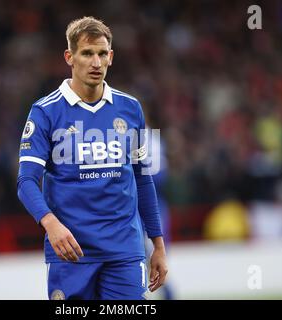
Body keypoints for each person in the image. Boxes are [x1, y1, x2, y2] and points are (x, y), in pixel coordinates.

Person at [17, 16, 168, 300]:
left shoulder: (131, 108)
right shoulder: (45, 112)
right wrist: (51, 224)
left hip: (124, 251)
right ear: (69, 57)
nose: (96, 63)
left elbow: (143, 178)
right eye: (87, 53)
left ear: (111, 57)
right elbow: (26, 181)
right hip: (71, 252)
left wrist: (157, 245)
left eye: (102, 54)